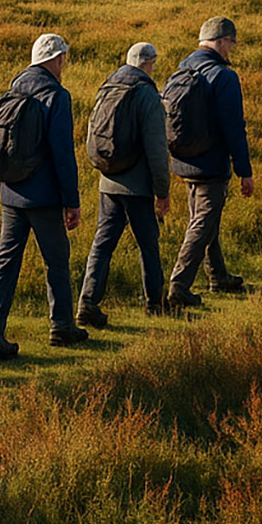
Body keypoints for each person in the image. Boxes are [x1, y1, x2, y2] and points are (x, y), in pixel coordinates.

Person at [0, 34, 87, 359]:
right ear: (55, 59)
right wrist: (72, 200)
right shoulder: (57, 95)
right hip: (43, 197)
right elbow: (62, 154)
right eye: (63, 58)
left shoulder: (14, 88)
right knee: (56, 260)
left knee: (6, 262)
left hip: (11, 192)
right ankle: (62, 326)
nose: (64, 64)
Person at [77, 43, 172, 327]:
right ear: (149, 63)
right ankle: (155, 303)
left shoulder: (107, 88)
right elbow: (157, 149)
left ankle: (87, 303)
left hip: (108, 181)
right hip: (137, 186)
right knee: (148, 244)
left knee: (102, 245)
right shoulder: (146, 94)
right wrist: (162, 191)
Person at [166, 17, 256, 308]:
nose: (232, 48)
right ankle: (179, 286)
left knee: (207, 219)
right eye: (231, 42)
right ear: (220, 42)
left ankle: (218, 275)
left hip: (183, 160)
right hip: (211, 163)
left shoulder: (180, 71)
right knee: (202, 223)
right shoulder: (224, 76)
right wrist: (245, 171)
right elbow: (234, 128)